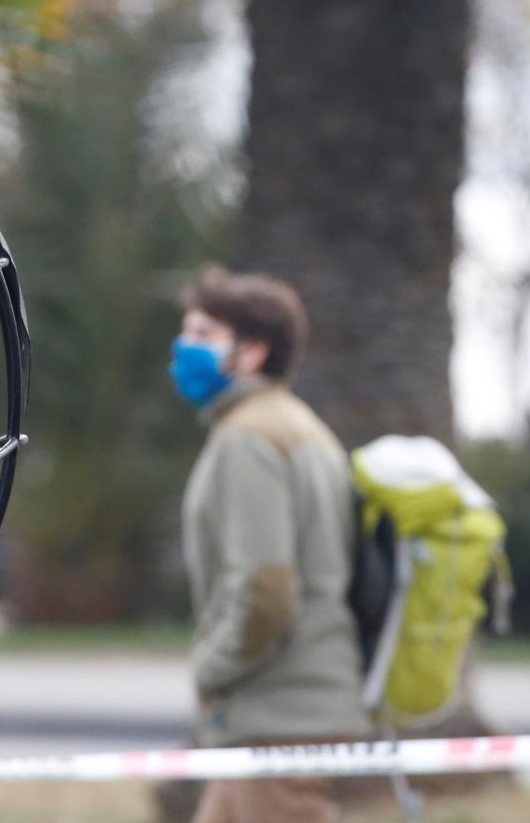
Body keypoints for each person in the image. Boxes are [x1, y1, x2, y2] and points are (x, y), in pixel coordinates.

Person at [170, 267, 368, 823]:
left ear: (253, 352)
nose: (184, 348)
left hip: (278, 718)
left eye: (204, 335)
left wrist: (210, 669)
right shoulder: (297, 425)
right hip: (276, 716)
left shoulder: (248, 439)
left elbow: (266, 589)